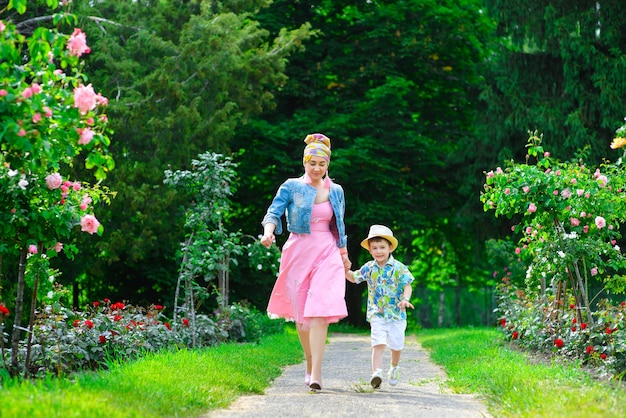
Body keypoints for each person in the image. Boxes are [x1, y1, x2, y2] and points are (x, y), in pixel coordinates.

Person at [260, 132, 351, 392]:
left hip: (327, 251)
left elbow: (340, 226)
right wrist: (268, 232)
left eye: (322, 164)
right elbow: (273, 213)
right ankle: (309, 363)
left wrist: (343, 256)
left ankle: (317, 374)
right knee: (303, 319)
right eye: (312, 163)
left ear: (327, 165)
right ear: (304, 162)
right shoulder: (291, 186)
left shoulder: (336, 191)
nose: (317, 168)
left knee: (319, 311)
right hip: (299, 250)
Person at [345, 224, 415, 389]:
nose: (378, 251)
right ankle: (376, 373)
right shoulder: (369, 268)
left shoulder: (398, 268)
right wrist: (342, 269)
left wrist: (405, 299)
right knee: (378, 342)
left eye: (382, 247)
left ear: (390, 248)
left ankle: (394, 367)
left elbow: (408, 285)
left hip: (397, 314)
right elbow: (354, 277)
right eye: (374, 248)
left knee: (396, 346)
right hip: (377, 313)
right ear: (369, 250)